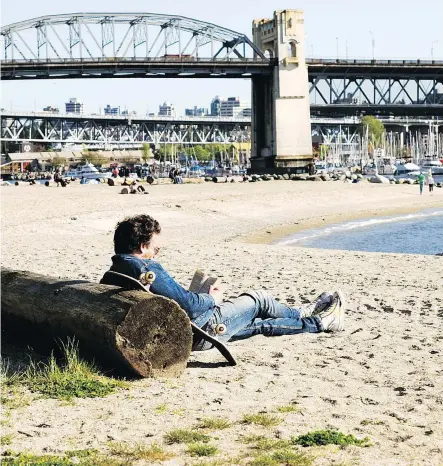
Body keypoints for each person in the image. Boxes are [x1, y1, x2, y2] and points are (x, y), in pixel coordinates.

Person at [108, 215, 345, 351]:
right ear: (142, 247)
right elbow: (188, 307)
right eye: (155, 248)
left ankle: (318, 322)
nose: (156, 253)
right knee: (258, 299)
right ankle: (301, 313)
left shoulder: (116, 269)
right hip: (200, 330)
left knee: (259, 323)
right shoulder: (147, 268)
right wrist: (213, 297)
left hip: (178, 335)